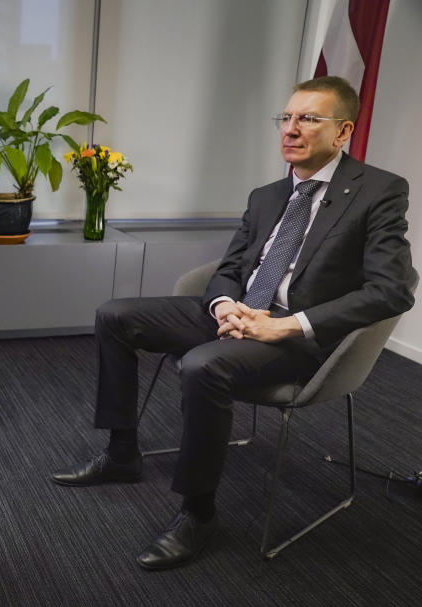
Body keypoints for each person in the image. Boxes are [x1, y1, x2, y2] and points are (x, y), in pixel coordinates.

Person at [51, 76, 416, 570]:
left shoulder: (379, 191)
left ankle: (198, 514)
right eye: (285, 118)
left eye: (308, 118)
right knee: (116, 315)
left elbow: (392, 289)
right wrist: (226, 306)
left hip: (300, 335)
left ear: (343, 131)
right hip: (243, 314)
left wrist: (284, 326)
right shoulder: (266, 195)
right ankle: (122, 453)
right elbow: (229, 267)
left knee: (203, 367)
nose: (290, 129)